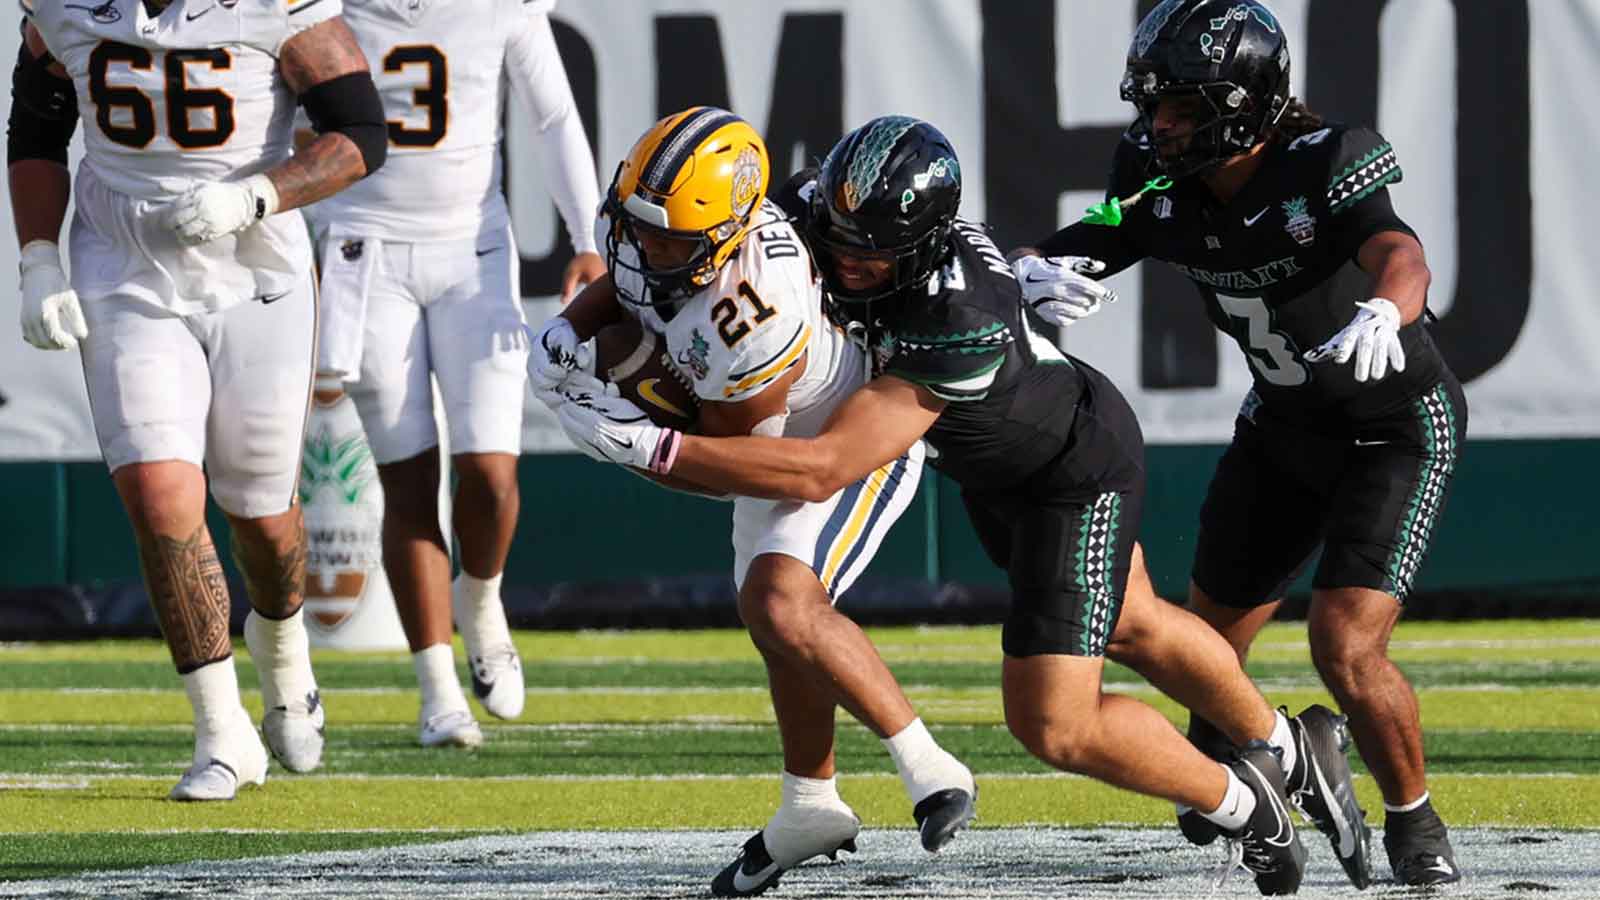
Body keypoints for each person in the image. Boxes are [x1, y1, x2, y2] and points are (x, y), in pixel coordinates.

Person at [547, 115, 1372, 896]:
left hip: (1064, 471)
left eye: (866, 257)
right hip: (991, 466)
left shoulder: (956, 317)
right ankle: (1292, 744)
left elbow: (820, 469)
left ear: (919, 247)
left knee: (1054, 722)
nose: (838, 262)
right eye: (830, 236)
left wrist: (655, 446)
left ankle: (1244, 802)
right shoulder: (818, 208)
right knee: (1138, 623)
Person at [1009, 0, 1466, 887]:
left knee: (1345, 645)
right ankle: (1258, 762)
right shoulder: (1156, 172)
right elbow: (1098, 236)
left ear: (1247, 101)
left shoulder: (1321, 161)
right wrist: (1023, 267)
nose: (1161, 125)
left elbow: (1399, 251)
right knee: (1203, 641)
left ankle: (1415, 822)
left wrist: (1386, 307)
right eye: (1156, 105)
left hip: (1393, 426)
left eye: (1183, 107)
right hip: (1283, 426)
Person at [527, 106, 977, 898]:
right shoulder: (684, 250)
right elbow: (631, 292)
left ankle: (929, 767)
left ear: (722, 240)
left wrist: (630, 440)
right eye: (634, 227)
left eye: (663, 240)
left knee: (782, 603)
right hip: (768, 437)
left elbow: (730, 463)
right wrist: (568, 328)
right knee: (774, 622)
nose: (640, 250)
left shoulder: (753, 314)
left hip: (830, 446)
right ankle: (810, 802)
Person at [9, 0, 387, 800]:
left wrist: (256, 196)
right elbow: (37, 128)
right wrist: (38, 259)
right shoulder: (65, 6)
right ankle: (222, 731)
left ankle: (284, 656)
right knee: (157, 490)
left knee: (261, 513)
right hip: (123, 264)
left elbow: (361, 135)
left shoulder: (275, 7)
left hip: (255, 271)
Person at [307, 0, 604, 749]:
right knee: (407, 480)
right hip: (364, 252)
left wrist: (586, 236)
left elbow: (553, 116)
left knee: (492, 477)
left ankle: (482, 598)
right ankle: (437, 689)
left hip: (474, 253)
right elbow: (282, 117)